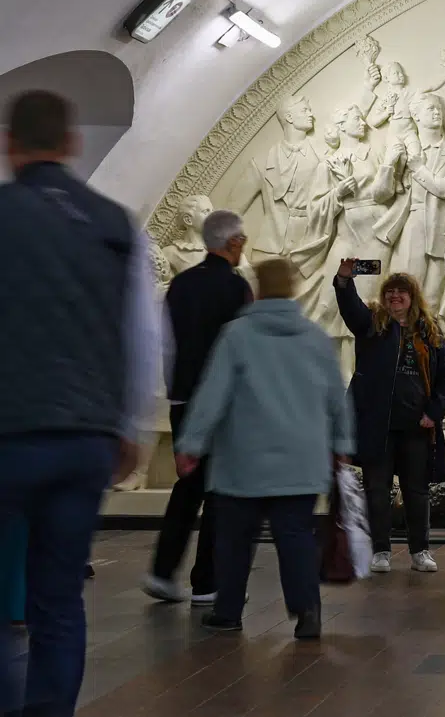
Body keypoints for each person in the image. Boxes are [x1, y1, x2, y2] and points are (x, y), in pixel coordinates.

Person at [0, 90, 161, 716]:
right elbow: (145, 338)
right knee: (59, 599)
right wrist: (129, 427)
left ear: (11, 144)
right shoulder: (117, 225)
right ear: (71, 144)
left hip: (9, 431)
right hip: (85, 438)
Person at [174, 259, 353, 639]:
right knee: (296, 537)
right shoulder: (315, 338)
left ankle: (228, 611)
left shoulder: (236, 336)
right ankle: (307, 611)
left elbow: (212, 395)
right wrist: (341, 444)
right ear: (291, 290)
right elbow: (338, 398)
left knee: (235, 539)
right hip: (301, 460)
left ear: (256, 290)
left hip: (243, 459)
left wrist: (191, 443)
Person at [146, 209, 252, 606]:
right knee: (219, 489)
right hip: (223, 402)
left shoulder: (180, 285)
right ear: (234, 243)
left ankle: (162, 571)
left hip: (183, 398)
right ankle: (205, 581)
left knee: (188, 485)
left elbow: (165, 344)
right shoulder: (237, 288)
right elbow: (242, 349)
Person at [334, 263, 445, 574]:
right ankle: (381, 550)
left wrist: (434, 413)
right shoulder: (373, 325)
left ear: (412, 297)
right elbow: (351, 309)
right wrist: (345, 280)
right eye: (390, 292)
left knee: (417, 491)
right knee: (377, 489)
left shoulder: (430, 332)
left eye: (401, 292)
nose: (395, 296)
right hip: (379, 424)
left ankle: (420, 550)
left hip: (417, 425)